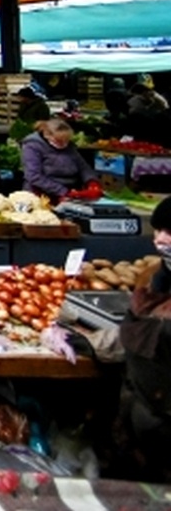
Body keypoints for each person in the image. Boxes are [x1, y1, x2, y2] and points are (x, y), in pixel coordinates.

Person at [113, 197, 171, 482]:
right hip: (142, 423)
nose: (160, 240)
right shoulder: (156, 282)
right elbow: (137, 333)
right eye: (158, 230)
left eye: (170, 232)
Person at [21, 117, 99, 201]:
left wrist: (91, 182)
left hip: (71, 193)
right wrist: (63, 192)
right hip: (42, 194)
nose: (64, 143)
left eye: (66, 140)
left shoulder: (69, 146)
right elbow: (34, 176)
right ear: (47, 135)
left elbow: (82, 167)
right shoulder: (32, 146)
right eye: (59, 140)